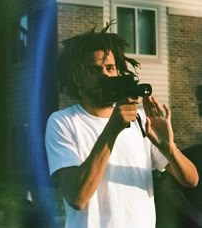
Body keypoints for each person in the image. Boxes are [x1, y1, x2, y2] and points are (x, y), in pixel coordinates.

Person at [45, 21, 199, 228]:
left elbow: (191, 180)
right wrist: (112, 129)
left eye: (110, 68)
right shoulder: (62, 122)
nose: (105, 76)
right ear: (77, 78)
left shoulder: (139, 120)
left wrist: (168, 147)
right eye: (94, 70)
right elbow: (77, 198)